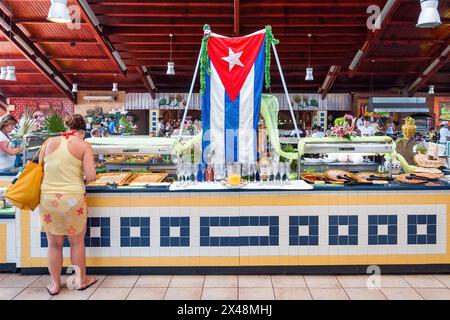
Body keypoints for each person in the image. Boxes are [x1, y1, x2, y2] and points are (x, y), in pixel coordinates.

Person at [39, 114, 97, 295]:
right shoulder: (83, 145)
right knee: (77, 242)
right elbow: (92, 176)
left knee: (54, 244)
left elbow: (40, 169)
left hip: (49, 197)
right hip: (73, 197)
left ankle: (55, 285)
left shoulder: (49, 143)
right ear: (83, 130)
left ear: (66, 126)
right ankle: (81, 280)